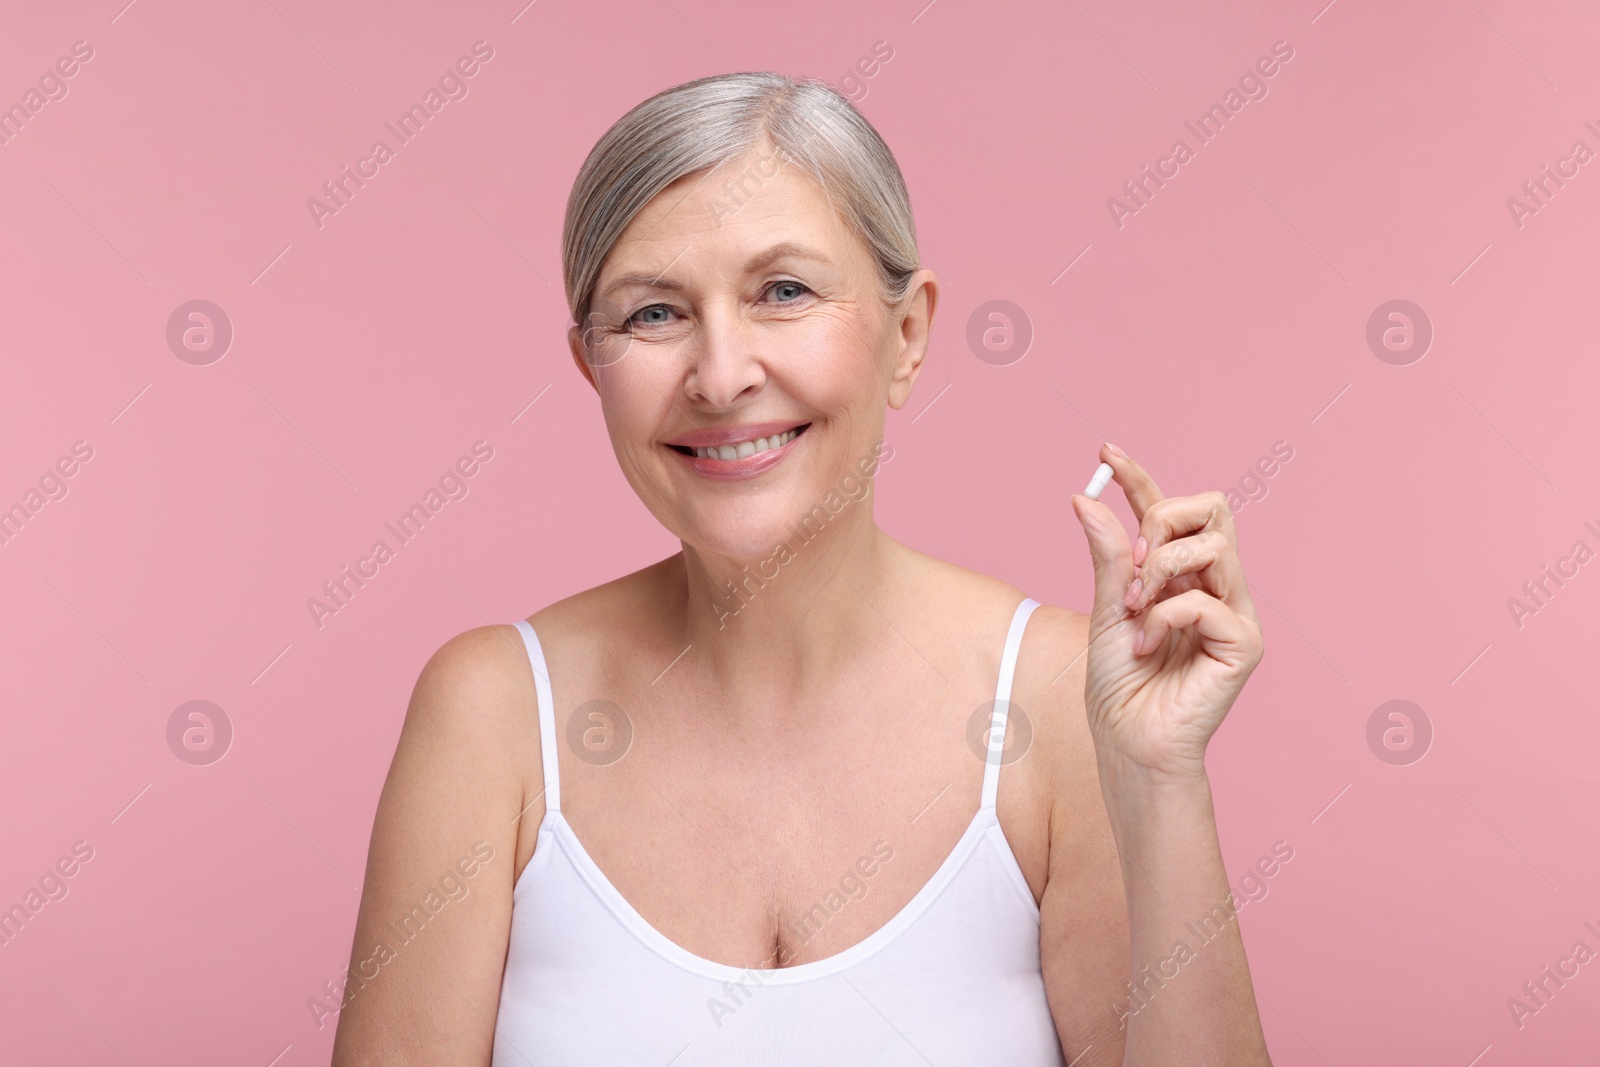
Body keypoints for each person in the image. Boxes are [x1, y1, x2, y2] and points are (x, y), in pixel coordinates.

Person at [331, 71, 1272, 1066]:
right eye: (653, 313)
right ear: (589, 365)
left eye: (783, 292)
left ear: (907, 336)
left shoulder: (1058, 699)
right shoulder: (490, 714)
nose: (722, 373)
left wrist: (1159, 783)